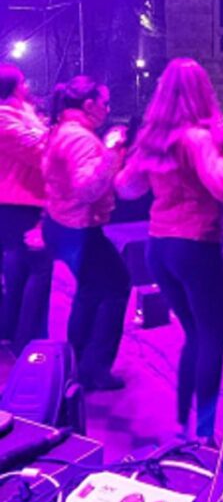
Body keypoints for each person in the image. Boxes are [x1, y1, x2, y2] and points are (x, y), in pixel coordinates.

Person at [116, 58, 223, 444]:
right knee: (212, 337)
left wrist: (120, 150)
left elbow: (127, 188)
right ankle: (206, 434)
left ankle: (182, 425)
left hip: (157, 249)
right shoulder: (195, 138)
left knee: (193, 336)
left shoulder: (154, 139)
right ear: (202, 90)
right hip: (194, 246)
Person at [42, 76, 130, 390]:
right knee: (117, 286)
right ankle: (95, 370)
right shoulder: (80, 138)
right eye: (104, 103)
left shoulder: (64, 130)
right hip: (78, 228)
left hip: (63, 224)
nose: (108, 109)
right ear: (88, 104)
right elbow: (87, 189)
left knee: (91, 291)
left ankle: (77, 362)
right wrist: (110, 150)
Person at [0, 65, 52, 353]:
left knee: (18, 271)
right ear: (14, 87)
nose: (28, 87)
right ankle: (28, 339)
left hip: (24, 202)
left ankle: (12, 333)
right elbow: (40, 153)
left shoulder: (19, 116)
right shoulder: (4, 120)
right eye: (23, 82)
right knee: (39, 270)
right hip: (16, 204)